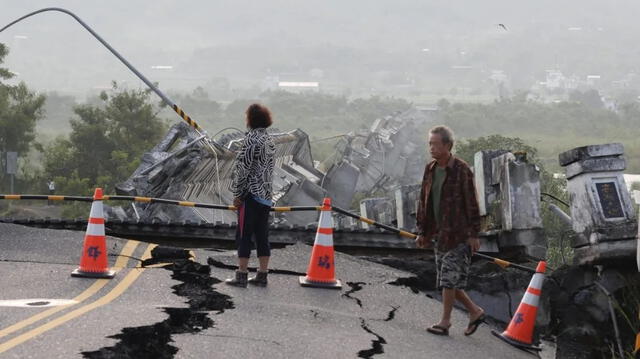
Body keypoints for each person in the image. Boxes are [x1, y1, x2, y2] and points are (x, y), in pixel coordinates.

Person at [415, 125, 485, 336]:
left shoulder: (461, 169)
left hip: (459, 235)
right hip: (440, 234)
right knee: (449, 280)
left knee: (447, 279)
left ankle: (445, 322)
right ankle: (475, 311)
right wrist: (422, 231)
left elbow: (471, 201)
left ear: (447, 145)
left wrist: (474, 234)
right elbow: (423, 201)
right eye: (430, 144)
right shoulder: (430, 169)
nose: (432, 148)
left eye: (436, 144)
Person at [225, 104, 276, 288]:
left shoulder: (251, 140)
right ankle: (262, 275)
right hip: (266, 196)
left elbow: (243, 170)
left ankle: (242, 275)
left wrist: (238, 195)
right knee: (262, 235)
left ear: (250, 120)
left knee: (244, 235)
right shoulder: (269, 141)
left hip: (251, 196)